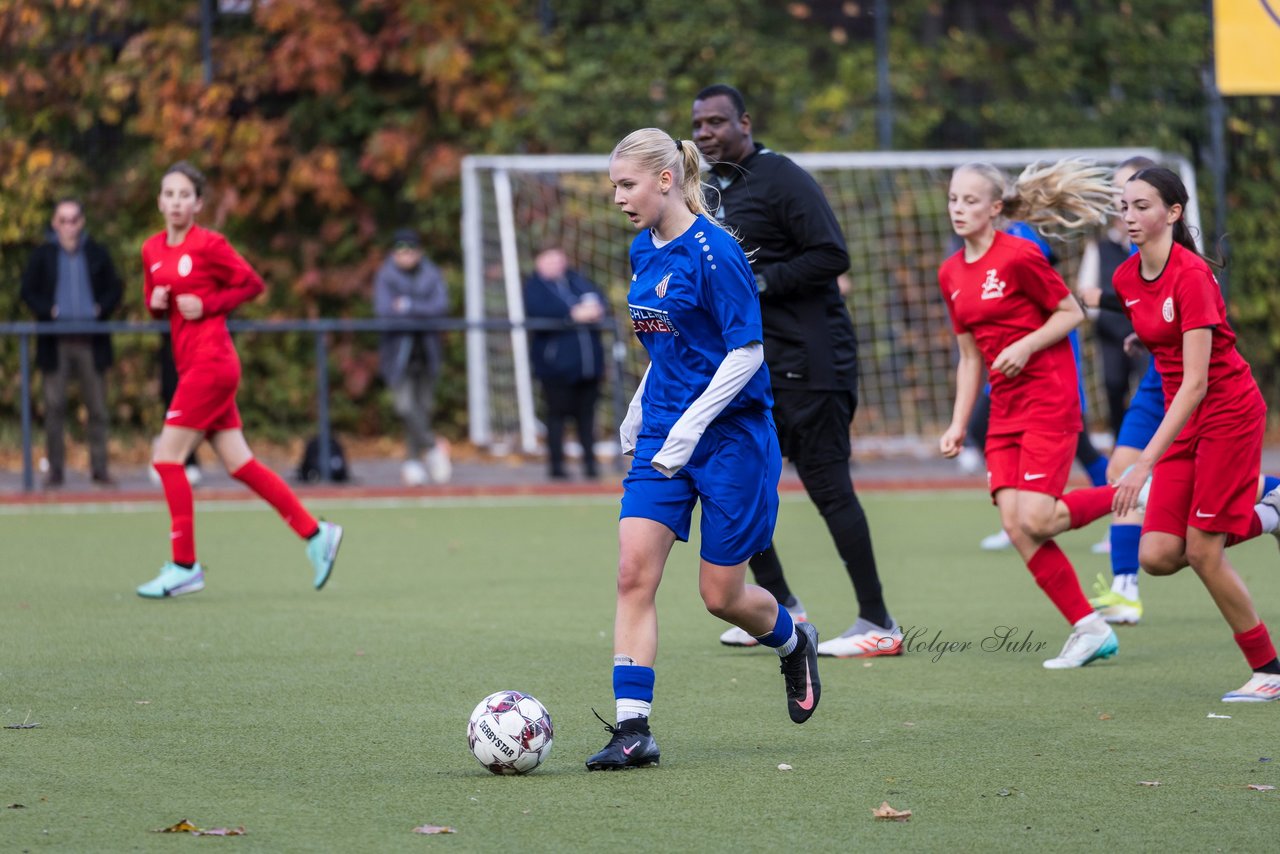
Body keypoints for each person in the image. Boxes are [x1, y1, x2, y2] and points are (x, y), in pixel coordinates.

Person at [585, 129, 821, 770]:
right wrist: (643, 411)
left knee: (721, 595)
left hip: (731, 440)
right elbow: (670, 351)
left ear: (666, 179)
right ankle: (633, 730)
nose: (618, 198)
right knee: (634, 573)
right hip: (667, 432)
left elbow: (747, 352)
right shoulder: (643, 250)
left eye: (627, 184)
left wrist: (691, 429)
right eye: (614, 186)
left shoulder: (717, 254)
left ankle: (792, 639)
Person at [691, 83, 901, 659]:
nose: (706, 132)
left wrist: (759, 283)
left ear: (745, 122)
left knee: (829, 489)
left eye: (716, 122)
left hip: (813, 362)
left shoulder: (780, 177)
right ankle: (782, 605)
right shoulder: (711, 190)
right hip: (759, 370)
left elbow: (833, 255)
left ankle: (878, 621)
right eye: (699, 124)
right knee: (735, 483)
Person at [939, 159, 1126, 670]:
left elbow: (1071, 312)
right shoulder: (950, 272)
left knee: (1038, 518)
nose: (959, 208)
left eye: (971, 200)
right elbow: (970, 356)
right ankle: (1090, 628)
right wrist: (958, 424)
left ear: (995, 208)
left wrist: (1024, 346)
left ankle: (1136, 493)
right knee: (1018, 527)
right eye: (954, 199)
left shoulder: (1020, 255)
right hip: (1004, 411)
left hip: (1049, 399)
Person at [1083, 157, 1280, 625]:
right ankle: (1271, 510)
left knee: (1202, 550)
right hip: (1182, 410)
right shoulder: (1125, 276)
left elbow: (1196, 382)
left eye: (1141, 206)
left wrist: (1142, 465)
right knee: (1157, 554)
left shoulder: (1191, 275)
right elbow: (1154, 316)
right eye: (1124, 206)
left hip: (1226, 410)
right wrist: (1142, 335)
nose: (1128, 216)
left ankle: (1268, 670)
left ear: (1172, 213)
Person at [136, 161, 342, 599]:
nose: (176, 202)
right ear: (159, 200)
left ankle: (184, 565)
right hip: (191, 365)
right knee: (240, 465)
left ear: (198, 203)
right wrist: (156, 304)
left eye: (184, 195)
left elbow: (251, 285)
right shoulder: (151, 249)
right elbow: (158, 306)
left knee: (167, 459)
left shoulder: (210, 244)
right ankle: (315, 533)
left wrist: (208, 304)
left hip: (213, 364)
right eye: (168, 194)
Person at [19, 197, 123, 488]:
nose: (68, 226)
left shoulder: (97, 253)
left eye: (74, 219)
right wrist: (48, 311)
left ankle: (99, 468)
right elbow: (27, 290)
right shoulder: (43, 256)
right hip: (55, 343)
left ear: (82, 221)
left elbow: (115, 288)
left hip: (92, 342)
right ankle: (55, 470)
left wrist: (100, 308)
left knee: (98, 408)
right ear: (55, 223)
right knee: (54, 408)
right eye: (62, 220)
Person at [374, 228, 452, 486]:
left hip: (427, 352)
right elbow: (385, 311)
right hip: (398, 354)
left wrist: (407, 306)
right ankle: (432, 449)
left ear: (419, 252)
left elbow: (440, 307)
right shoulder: (386, 276)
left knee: (422, 410)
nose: (405, 256)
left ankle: (412, 462)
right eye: (400, 251)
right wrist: (420, 311)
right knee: (405, 407)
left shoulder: (431, 274)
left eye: (410, 251)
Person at [523, 246, 606, 480]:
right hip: (556, 369)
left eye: (559, 259)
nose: (556, 264)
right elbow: (539, 311)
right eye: (550, 259)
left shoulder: (577, 281)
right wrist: (571, 315)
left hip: (587, 367)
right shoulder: (535, 287)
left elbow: (598, 299)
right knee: (557, 417)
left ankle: (591, 466)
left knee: (587, 418)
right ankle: (557, 468)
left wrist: (594, 309)